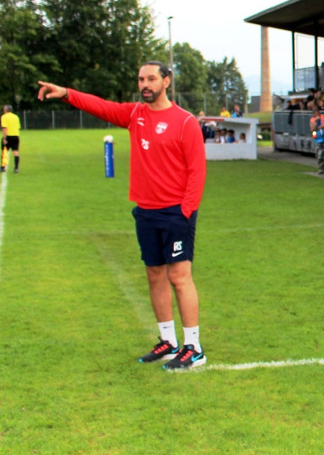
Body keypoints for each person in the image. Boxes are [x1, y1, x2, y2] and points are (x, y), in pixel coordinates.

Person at [37, 63, 208, 370]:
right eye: (141, 79)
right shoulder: (134, 115)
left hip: (175, 213)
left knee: (179, 278)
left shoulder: (185, 122)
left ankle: (193, 347)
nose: (145, 84)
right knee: (154, 275)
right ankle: (168, 342)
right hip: (145, 210)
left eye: (151, 78)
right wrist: (66, 94)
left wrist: (185, 212)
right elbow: (101, 106)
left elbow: (197, 171)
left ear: (166, 81)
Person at [310, 102, 324, 176]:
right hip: (318, 139)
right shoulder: (312, 120)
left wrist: (318, 127)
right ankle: (321, 168)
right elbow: (312, 129)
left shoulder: (323, 117)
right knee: (320, 154)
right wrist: (316, 122)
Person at [1, 104, 21, 173]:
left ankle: (3, 167)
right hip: (16, 136)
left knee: (5, 151)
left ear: (5, 110)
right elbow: (18, 127)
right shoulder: (16, 117)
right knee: (15, 152)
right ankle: (16, 168)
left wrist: (4, 138)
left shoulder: (4, 117)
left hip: (8, 136)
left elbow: (4, 128)